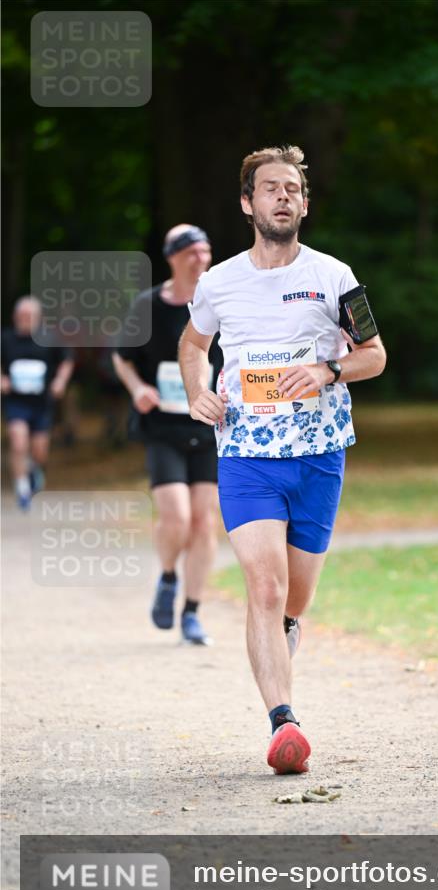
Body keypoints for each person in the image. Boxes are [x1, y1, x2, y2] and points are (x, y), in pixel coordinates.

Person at [178, 145, 386, 774]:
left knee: (293, 599)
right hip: (247, 453)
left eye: (293, 188)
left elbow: (374, 355)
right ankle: (283, 725)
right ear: (248, 203)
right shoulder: (218, 282)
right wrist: (197, 393)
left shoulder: (336, 276)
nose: (283, 197)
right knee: (263, 589)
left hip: (319, 455)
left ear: (304, 202)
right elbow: (193, 343)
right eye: (270, 188)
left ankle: (285, 633)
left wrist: (327, 369)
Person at [113, 225, 222, 645]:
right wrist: (138, 388)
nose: (200, 258)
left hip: (209, 427)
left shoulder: (217, 301)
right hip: (162, 425)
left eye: (205, 250)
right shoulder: (148, 306)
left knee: (203, 521)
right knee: (175, 516)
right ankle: (168, 577)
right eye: (192, 252)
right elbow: (122, 358)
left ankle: (192, 613)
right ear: (173, 258)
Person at [1, 296, 74, 510]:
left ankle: (35, 470)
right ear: (15, 317)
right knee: (18, 441)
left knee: (39, 450)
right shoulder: (5, 339)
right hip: (16, 402)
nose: (25, 319)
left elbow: (66, 360)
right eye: (21, 315)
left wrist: (60, 381)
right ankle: (22, 488)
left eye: (29, 316)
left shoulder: (49, 339)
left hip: (42, 403)